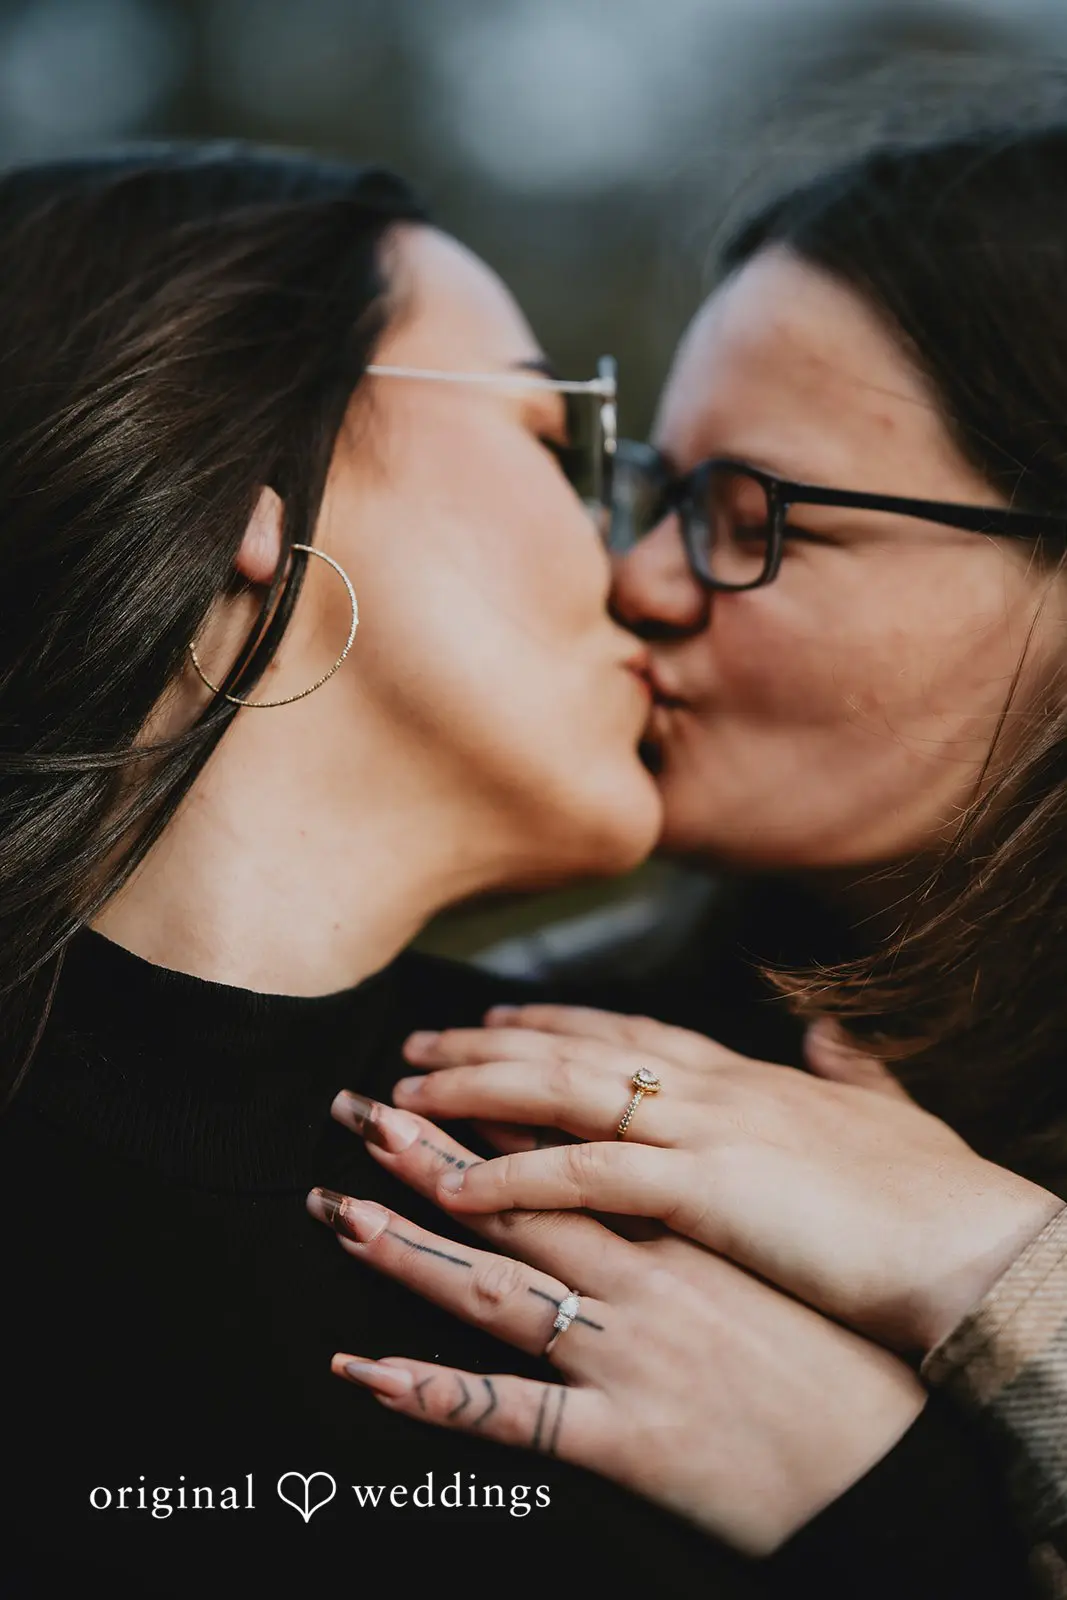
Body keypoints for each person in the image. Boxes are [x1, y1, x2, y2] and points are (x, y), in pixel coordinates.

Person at [2, 141, 1021, 1600]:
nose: (637, 577)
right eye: (560, 447)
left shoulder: (778, 1158)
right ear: (250, 478)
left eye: (754, 522)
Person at [297, 123, 1067, 1597]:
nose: (637, 579)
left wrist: (989, 1273)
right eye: (661, 496)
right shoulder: (529, 1049)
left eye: (751, 520)